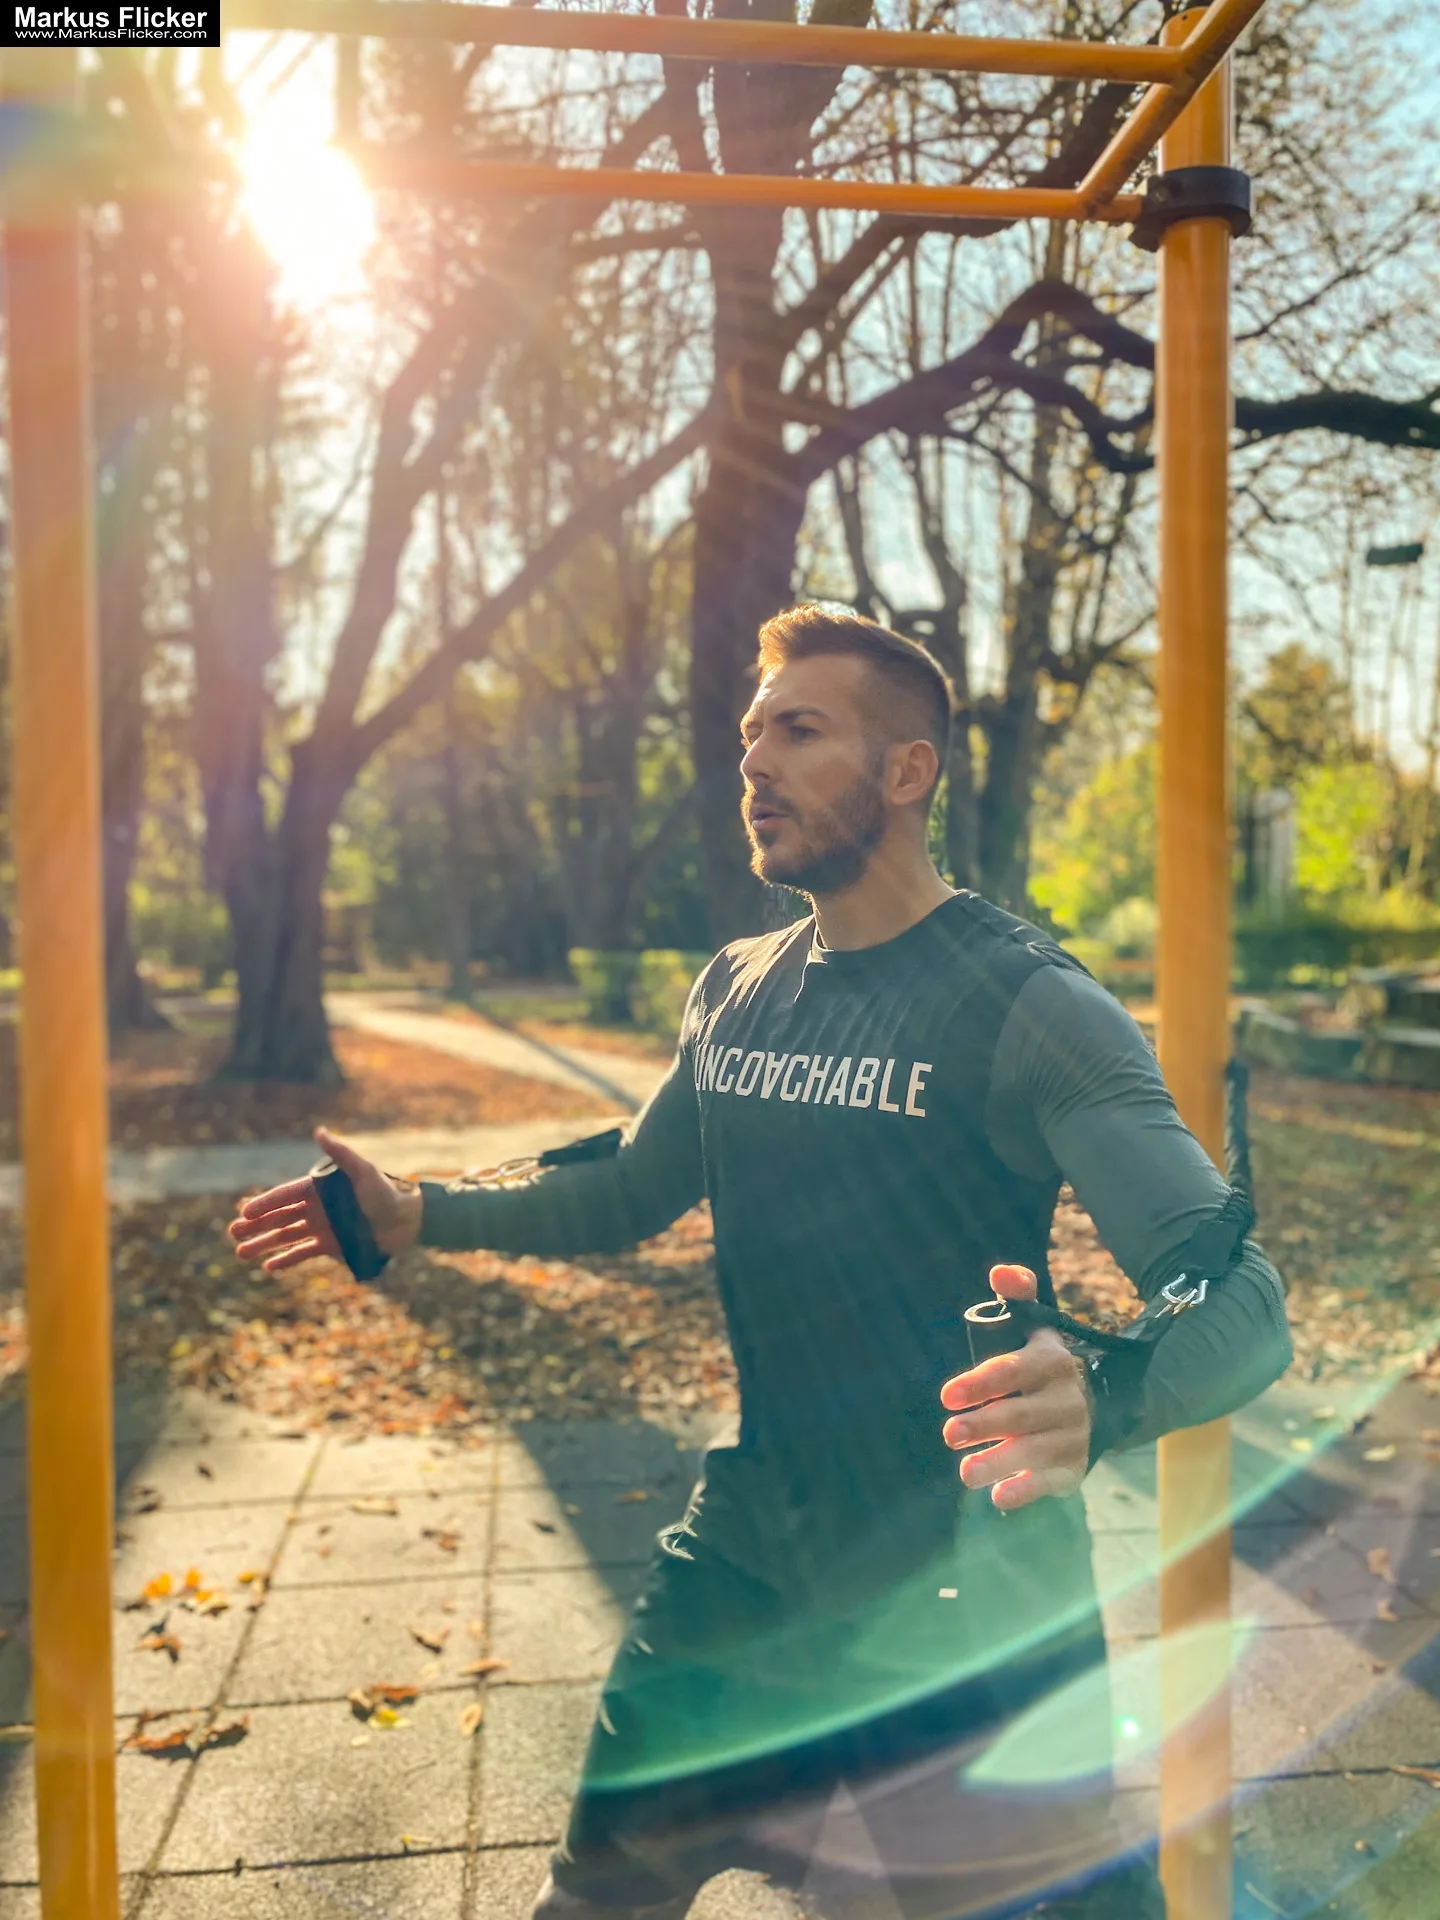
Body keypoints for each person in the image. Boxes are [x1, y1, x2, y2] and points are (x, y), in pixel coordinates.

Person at [231, 606, 1292, 1920]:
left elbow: (1237, 1297)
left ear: (908, 772)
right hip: (743, 1571)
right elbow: (629, 1183)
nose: (754, 762)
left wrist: (1107, 1388)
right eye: (750, 734)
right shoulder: (734, 988)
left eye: (800, 730)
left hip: (964, 1610)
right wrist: (423, 1214)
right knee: (595, 1902)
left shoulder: (1029, 1004)